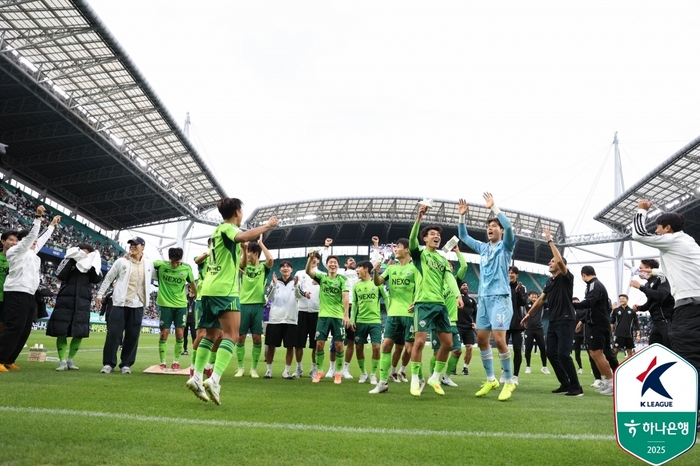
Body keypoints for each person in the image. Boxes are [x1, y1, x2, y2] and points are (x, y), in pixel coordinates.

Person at [185, 197, 278, 405]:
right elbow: (243, 235)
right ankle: (214, 380)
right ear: (237, 212)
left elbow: (239, 262)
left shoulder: (217, 232)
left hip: (208, 290)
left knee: (211, 334)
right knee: (232, 335)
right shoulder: (228, 228)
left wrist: (243, 248)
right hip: (225, 290)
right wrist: (267, 226)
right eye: (241, 211)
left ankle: (197, 377)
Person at [631, 200, 700, 408]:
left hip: (690, 307)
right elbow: (678, 268)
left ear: (667, 228)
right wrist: (653, 271)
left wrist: (641, 210)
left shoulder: (672, 240)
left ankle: (692, 413)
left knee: (689, 358)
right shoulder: (688, 242)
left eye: (658, 227)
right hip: (694, 304)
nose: (656, 231)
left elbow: (638, 234)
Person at [458, 193, 517, 401]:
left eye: (494, 226)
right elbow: (464, 237)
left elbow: (509, 226)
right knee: (482, 339)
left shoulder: (506, 245)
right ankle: (491, 379)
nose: (490, 228)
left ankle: (508, 381)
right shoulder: (483, 248)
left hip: (500, 298)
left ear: (500, 230)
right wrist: (462, 216)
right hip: (483, 299)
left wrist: (494, 208)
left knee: (499, 340)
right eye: (488, 227)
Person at [521, 227, 583, 396]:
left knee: (563, 354)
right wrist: (528, 314)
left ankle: (577, 387)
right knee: (550, 353)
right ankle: (565, 383)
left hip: (566, 320)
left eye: (552, 261)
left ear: (560, 264)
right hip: (554, 321)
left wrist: (550, 240)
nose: (549, 263)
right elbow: (541, 300)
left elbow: (561, 262)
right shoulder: (549, 282)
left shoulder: (566, 277)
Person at [408, 204, 461, 397]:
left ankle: (435, 377)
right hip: (423, 304)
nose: (436, 236)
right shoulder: (419, 255)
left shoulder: (442, 260)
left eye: (438, 235)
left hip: (440, 306)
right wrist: (419, 218)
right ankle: (415, 378)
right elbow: (411, 240)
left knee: (448, 344)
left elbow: (449, 279)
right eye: (432, 234)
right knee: (420, 342)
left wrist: (457, 295)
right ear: (425, 238)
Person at [0, 205, 60, 372]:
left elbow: (41, 239)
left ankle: (9, 359)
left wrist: (52, 225)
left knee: (24, 329)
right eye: (32, 240)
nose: (35, 242)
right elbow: (33, 236)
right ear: (23, 241)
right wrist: (38, 217)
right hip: (16, 292)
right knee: (14, 327)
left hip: (29, 294)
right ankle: (0, 358)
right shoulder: (16, 251)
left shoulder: (32, 253)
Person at [95, 236, 154, 374]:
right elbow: (109, 277)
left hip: (138, 304)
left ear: (143, 247)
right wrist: (100, 294)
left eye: (135, 244)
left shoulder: (149, 264)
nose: (132, 246)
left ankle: (126, 364)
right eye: (131, 244)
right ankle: (108, 363)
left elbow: (160, 272)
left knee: (132, 336)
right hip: (119, 303)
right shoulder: (121, 261)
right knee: (113, 334)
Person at [370, 238, 418, 394]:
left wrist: (417, 301)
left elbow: (422, 287)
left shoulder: (415, 268)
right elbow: (378, 283)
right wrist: (375, 271)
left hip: (409, 314)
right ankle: (383, 382)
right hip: (393, 314)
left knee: (410, 349)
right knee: (386, 345)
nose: (395, 249)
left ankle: (418, 379)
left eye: (398, 247)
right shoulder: (391, 269)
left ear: (407, 250)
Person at [47, 243, 103, 371]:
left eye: (88, 253)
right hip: (65, 300)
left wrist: (91, 264)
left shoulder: (93, 264)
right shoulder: (69, 260)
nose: (84, 254)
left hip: (83, 301)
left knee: (79, 332)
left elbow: (97, 279)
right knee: (61, 330)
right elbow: (60, 274)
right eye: (82, 252)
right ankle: (62, 360)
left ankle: (70, 359)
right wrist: (72, 260)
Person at [572, 266, 617, 396]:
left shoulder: (594, 285)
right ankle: (607, 381)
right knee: (594, 353)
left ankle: (612, 383)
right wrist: (582, 321)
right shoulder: (594, 285)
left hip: (598, 324)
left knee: (597, 353)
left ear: (583, 275)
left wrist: (572, 304)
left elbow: (589, 303)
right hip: (598, 323)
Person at [306, 252, 349, 384]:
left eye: (335, 262)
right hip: (323, 316)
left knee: (339, 345)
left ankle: (338, 373)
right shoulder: (322, 278)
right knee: (319, 344)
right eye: (330, 262)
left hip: (337, 317)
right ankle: (319, 371)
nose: (333, 264)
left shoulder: (342, 280)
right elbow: (308, 271)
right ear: (326, 265)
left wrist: (346, 315)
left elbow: (345, 296)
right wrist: (310, 259)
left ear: (338, 265)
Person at [153, 247, 196, 370]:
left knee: (180, 333)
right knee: (164, 334)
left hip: (181, 305)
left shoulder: (186, 268)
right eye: (173, 262)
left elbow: (192, 283)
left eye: (178, 262)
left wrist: (198, 296)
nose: (175, 265)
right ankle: (162, 362)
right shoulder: (161, 265)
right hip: (166, 305)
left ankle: (176, 361)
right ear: (169, 259)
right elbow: (146, 263)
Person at [236, 238, 273, 378]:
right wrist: (243, 248)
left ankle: (253, 368)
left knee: (257, 338)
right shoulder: (244, 266)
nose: (247, 254)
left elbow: (270, 259)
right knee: (241, 337)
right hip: (243, 305)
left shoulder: (263, 268)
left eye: (249, 252)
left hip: (258, 306)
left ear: (255, 253)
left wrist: (261, 244)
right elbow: (241, 262)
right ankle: (240, 368)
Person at [350, 261, 386, 385]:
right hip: (360, 321)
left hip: (375, 321)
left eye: (358, 268)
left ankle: (373, 374)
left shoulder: (377, 284)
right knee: (359, 347)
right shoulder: (356, 286)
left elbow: (386, 298)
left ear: (366, 269)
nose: (357, 270)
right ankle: (364, 373)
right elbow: (355, 304)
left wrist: (391, 313)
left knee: (376, 347)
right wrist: (352, 319)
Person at [264, 262, 298, 379]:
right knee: (271, 345)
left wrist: (296, 286)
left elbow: (300, 296)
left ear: (291, 269)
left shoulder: (296, 282)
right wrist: (273, 284)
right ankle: (269, 371)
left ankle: (286, 372)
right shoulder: (275, 282)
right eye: (283, 266)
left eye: (288, 266)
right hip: (275, 319)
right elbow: (269, 296)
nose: (285, 268)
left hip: (291, 319)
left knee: (290, 346)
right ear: (280, 270)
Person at [630, 259, 674, 348]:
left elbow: (661, 295)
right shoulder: (647, 284)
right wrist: (641, 308)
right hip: (655, 322)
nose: (639, 271)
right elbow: (651, 302)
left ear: (648, 268)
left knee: (669, 350)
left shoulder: (661, 278)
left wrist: (641, 287)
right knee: (653, 349)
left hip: (666, 321)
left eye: (641, 268)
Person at [294, 251, 322, 378]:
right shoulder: (300, 273)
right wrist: (304, 294)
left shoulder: (322, 275)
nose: (314, 259)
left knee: (315, 344)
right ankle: (299, 368)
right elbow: (296, 291)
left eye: (316, 258)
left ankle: (314, 369)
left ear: (319, 261)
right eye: (311, 257)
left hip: (317, 312)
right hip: (301, 311)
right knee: (299, 343)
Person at [505, 266, 527, 385]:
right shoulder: (503, 285)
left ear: (517, 275)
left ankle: (515, 376)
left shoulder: (522, 288)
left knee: (517, 349)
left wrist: (518, 292)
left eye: (513, 273)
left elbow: (523, 303)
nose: (510, 274)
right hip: (504, 322)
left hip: (517, 323)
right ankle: (504, 371)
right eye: (509, 272)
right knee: (503, 349)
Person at [523, 290, 549, 375]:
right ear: (528, 296)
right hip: (529, 329)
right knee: (528, 348)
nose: (534, 296)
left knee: (543, 348)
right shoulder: (526, 305)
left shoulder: (542, 304)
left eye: (535, 295)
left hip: (539, 329)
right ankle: (528, 366)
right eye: (532, 295)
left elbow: (548, 300)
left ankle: (544, 367)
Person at [610, 294, 640, 359]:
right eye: (620, 299)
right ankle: (613, 365)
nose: (621, 300)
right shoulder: (616, 310)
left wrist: (638, 335)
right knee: (615, 351)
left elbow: (636, 323)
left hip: (629, 335)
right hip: (618, 334)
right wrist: (611, 332)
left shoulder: (632, 311)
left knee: (629, 352)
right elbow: (612, 322)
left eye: (623, 299)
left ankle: (629, 365)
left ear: (627, 300)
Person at [0, 230, 18, 335]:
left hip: (8, 300)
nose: (14, 243)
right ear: (3, 241)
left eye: (16, 241)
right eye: (11, 240)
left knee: (3, 329)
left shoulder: (18, 260)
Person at [457, 282, 477, 375]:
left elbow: (475, 313)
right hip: (458, 326)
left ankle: (465, 367)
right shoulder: (456, 298)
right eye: (463, 285)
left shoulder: (472, 300)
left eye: (466, 285)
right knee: (456, 349)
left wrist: (474, 322)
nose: (466, 286)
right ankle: (453, 367)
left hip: (469, 327)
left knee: (470, 347)